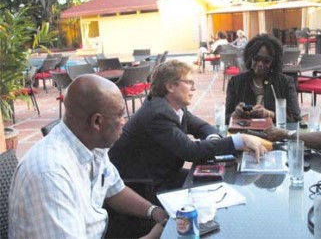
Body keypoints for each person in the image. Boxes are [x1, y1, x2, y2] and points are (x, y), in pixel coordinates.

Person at [8, 74, 168, 238]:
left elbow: (114, 189)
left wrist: (155, 212)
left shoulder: (91, 143)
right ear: (97, 122)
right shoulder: (50, 175)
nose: (124, 121)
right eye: (120, 115)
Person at [109, 60, 267, 193]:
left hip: (162, 175)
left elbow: (201, 127)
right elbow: (191, 151)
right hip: (143, 187)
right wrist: (240, 140)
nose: (194, 88)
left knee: (218, 185)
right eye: (189, 83)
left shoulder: (173, 106)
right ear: (170, 86)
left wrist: (213, 138)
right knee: (215, 190)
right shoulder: (157, 114)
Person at [225, 34, 301, 125]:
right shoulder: (235, 82)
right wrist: (235, 114)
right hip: (244, 135)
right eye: (256, 59)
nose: (260, 64)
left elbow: (295, 118)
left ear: (273, 62)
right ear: (250, 57)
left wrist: (269, 114)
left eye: (266, 61)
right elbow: (226, 118)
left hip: (274, 135)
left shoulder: (285, 82)